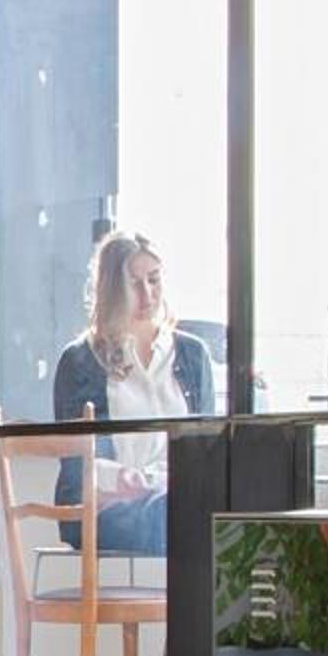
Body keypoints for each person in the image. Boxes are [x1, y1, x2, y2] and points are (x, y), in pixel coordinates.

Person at [50, 229, 215, 554]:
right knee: (176, 514)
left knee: (189, 507)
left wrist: (159, 483)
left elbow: (205, 451)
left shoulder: (193, 355)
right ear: (111, 288)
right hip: (104, 509)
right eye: (134, 284)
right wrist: (124, 482)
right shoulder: (80, 360)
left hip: (172, 496)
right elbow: (75, 465)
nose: (147, 294)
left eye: (154, 280)